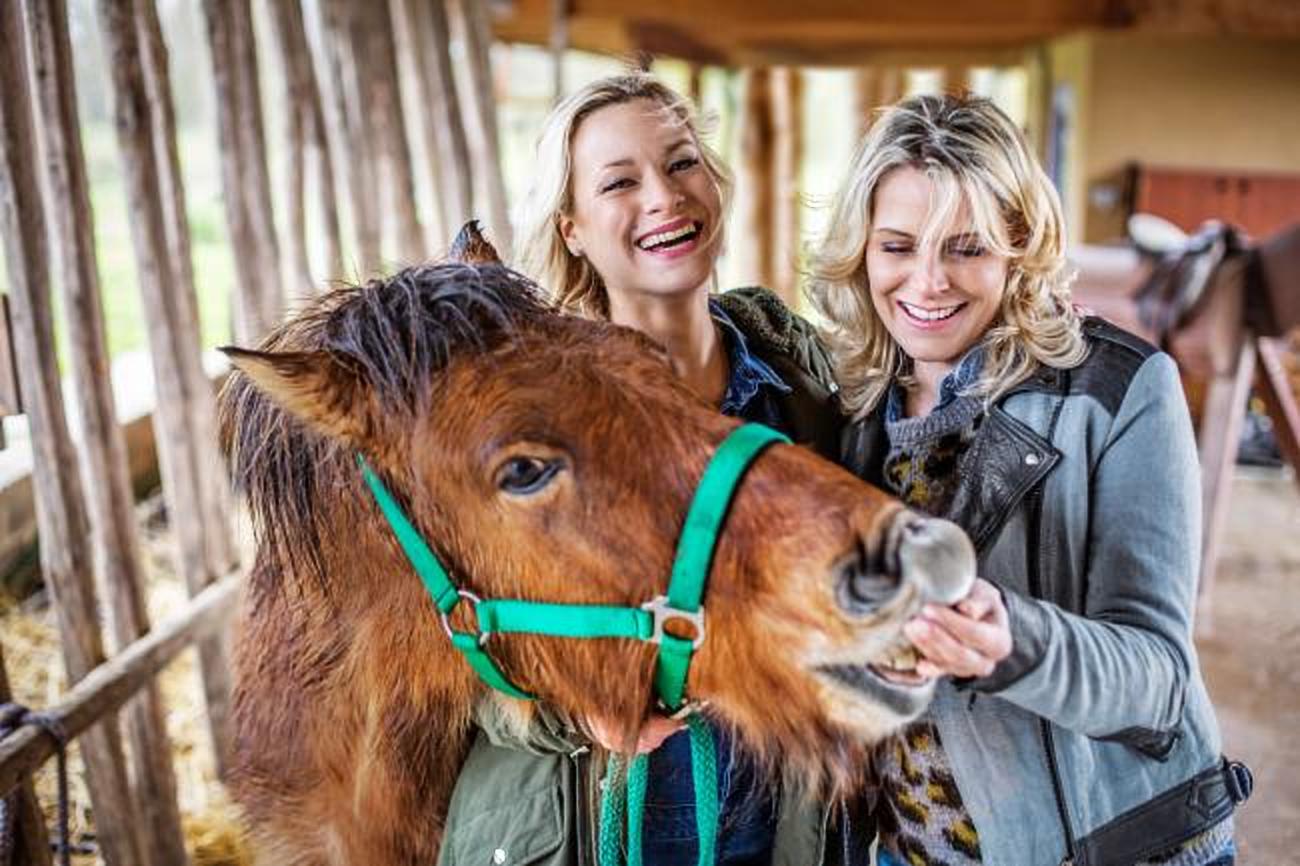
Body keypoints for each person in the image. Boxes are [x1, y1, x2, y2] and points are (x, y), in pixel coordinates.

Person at [810, 93, 1249, 866]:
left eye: (966, 247)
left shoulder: (1120, 389)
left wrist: (1015, 641)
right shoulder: (847, 406)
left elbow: (1158, 684)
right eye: (899, 246)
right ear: (862, 251)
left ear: (1019, 247)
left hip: (1115, 851)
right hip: (905, 851)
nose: (927, 281)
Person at [437, 73, 847, 866]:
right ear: (573, 229)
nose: (664, 197)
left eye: (682, 163)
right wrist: (569, 708)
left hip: (775, 821)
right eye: (620, 182)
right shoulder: (523, 422)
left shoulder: (801, 383)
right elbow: (447, 645)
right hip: (594, 820)